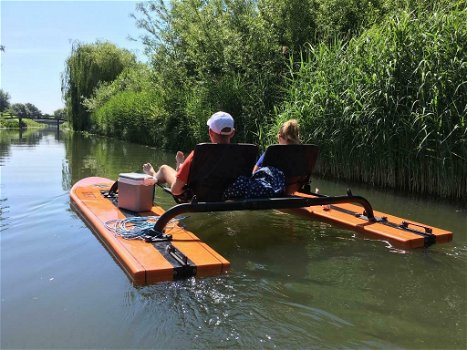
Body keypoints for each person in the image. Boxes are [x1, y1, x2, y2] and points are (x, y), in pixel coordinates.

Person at [142, 111, 235, 196]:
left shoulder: (199, 154)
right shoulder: (244, 154)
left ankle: (153, 174)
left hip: (195, 196)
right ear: (232, 133)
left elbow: (175, 190)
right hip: (230, 196)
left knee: (164, 169)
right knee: (182, 172)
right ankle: (180, 166)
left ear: (210, 132)